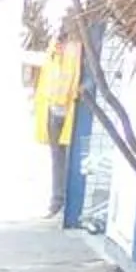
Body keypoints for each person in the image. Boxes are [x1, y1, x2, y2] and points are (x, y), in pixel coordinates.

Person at [33, 25, 81, 221]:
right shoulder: (53, 51)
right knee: (57, 159)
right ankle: (57, 201)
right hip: (54, 110)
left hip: (71, 110)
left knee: (70, 158)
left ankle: (67, 203)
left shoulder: (77, 50)